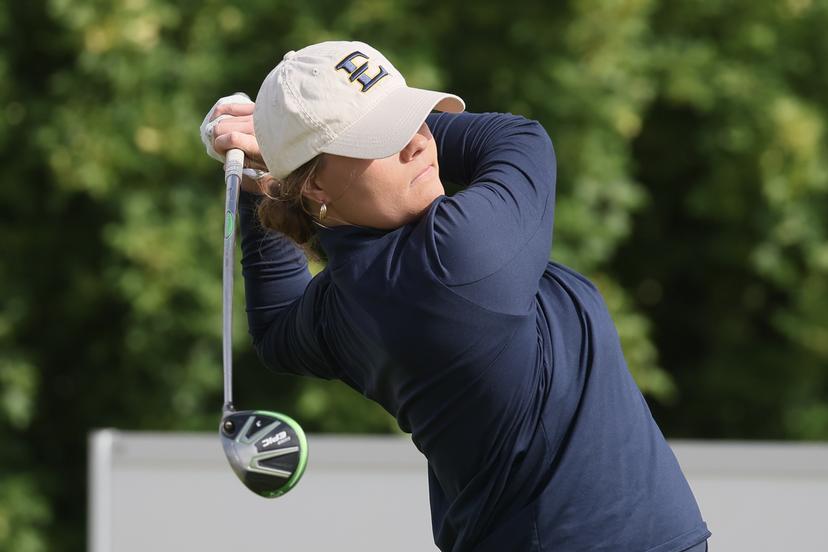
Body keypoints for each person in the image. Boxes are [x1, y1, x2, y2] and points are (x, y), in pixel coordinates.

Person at [201, 40, 711, 552]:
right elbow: (519, 137)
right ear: (316, 188)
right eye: (380, 136)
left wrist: (264, 173)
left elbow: (274, 328)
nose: (417, 143)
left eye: (414, 118)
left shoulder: (343, 304)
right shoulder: (456, 254)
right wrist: (278, 155)